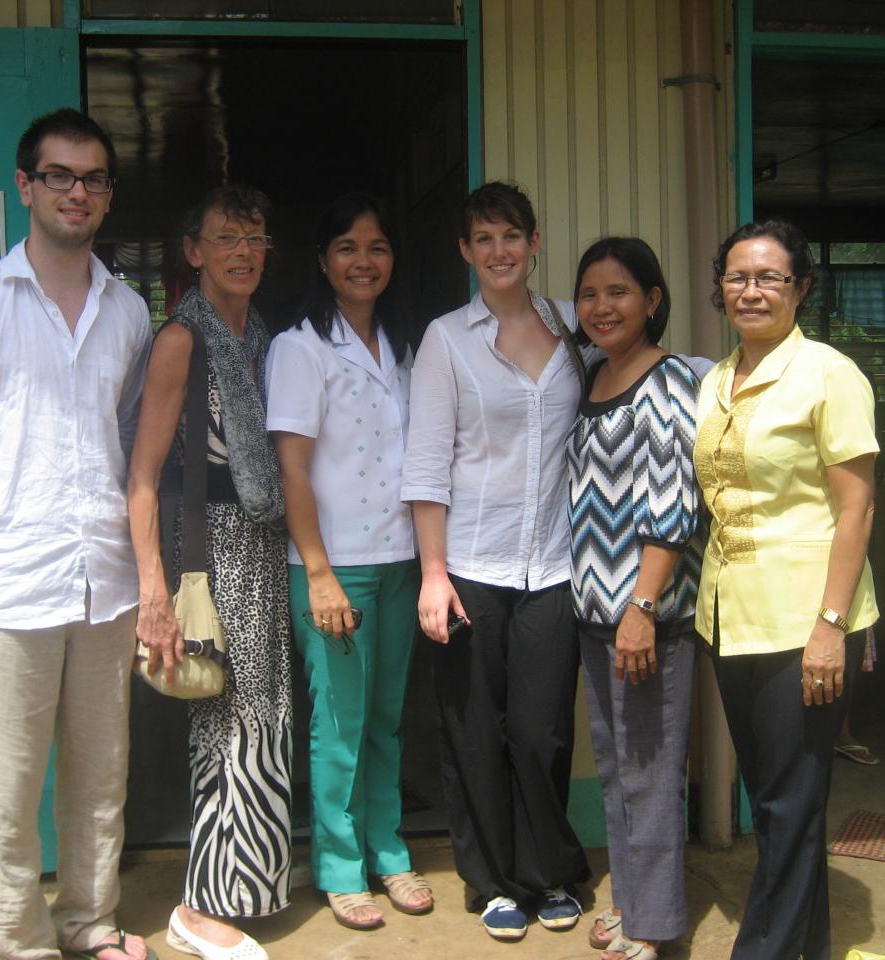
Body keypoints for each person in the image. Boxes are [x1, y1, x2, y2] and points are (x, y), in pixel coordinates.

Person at [0, 108, 154, 960]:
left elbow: (126, 437)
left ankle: (91, 921)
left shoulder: (127, 313)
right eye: (58, 176)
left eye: (91, 179)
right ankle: (23, 941)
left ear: (107, 196)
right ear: (26, 186)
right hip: (7, 590)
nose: (75, 192)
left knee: (98, 780)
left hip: (105, 583)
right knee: (9, 790)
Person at [401, 181, 590, 942]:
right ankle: (493, 881)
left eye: (512, 235)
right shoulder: (447, 339)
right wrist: (433, 573)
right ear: (465, 251)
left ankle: (548, 872)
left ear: (534, 242)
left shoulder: (574, 326)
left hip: (553, 565)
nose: (500, 250)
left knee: (541, 732)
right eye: (484, 238)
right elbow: (425, 464)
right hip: (471, 565)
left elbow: (639, 356)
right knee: (474, 730)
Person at [693, 219, 879, 960]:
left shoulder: (829, 374)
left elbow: (857, 506)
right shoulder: (717, 378)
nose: (752, 290)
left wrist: (831, 624)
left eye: (770, 277)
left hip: (806, 617)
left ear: (801, 286)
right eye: (738, 276)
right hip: (732, 613)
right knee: (778, 806)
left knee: (791, 801)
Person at [127, 185, 291, 960]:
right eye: (227, 238)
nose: (244, 252)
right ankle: (201, 906)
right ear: (194, 252)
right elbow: (145, 477)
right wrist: (153, 591)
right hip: (209, 549)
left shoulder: (260, 333)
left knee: (259, 716)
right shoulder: (182, 340)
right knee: (221, 719)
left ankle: (245, 887)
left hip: (258, 541)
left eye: (255, 238)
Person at [266, 192, 431, 931]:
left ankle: (387, 850)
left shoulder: (401, 345)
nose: (363, 261)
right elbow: (291, 471)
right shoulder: (301, 348)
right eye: (346, 247)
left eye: (377, 247)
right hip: (333, 566)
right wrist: (321, 571)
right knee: (340, 720)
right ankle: (339, 865)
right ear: (323, 260)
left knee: (387, 719)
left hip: (398, 558)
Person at [565, 238, 703, 960]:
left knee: (650, 770)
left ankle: (654, 925)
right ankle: (631, 899)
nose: (601, 307)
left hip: (646, 617)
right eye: (589, 294)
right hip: (597, 614)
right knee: (620, 767)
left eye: (619, 292)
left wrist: (642, 609)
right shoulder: (592, 371)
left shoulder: (669, 380)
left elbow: (674, 506)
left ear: (652, 300)